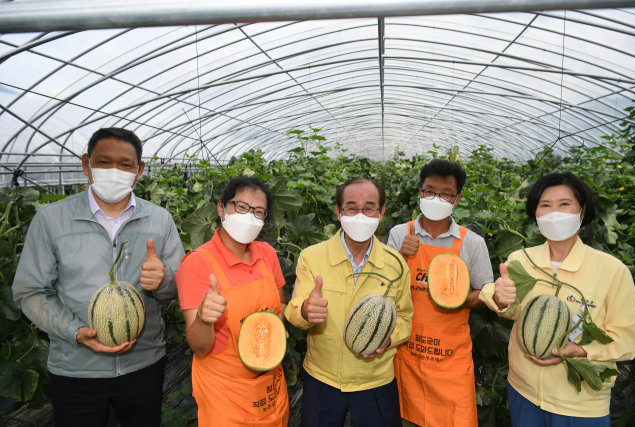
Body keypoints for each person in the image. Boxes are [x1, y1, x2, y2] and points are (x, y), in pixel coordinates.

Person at [13, 127, 185, 426]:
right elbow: (30, 291)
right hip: (75, 369)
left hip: (143, 365)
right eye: (104, 162)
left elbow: (178, 288)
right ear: (86, 165)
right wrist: (75, 332)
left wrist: (165, 280)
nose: (114, 171)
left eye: (126, 164)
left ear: (139, 170)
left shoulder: (161, 219)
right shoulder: (50, 220)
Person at [479, 171, 635, 426]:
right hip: (524, 391)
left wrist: (583, 350)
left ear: (582, 211)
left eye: (564, 204)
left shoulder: (612, 270)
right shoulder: (522, 260)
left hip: (582, 404)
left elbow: (629, 339)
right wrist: (500, 297)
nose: (555, 213)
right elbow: (507, 307)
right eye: (545, 205)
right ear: (536, 214)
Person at [286, 178, 413, 427]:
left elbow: (405, 317)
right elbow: (293, 310)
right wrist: (304, 310)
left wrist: (388, 338)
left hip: (375, 380)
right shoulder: (312, 257)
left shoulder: (396, 264)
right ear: (338, 211)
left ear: (382, 212)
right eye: (352, 208)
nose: (360, 215)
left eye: (369, 208)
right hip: (323, 378)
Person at [387, 158, 494, 427]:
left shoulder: (473, 243)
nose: (437, 198)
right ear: (420, 193)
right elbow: (384, 288)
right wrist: (401, 256)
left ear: (456, 199)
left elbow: (484, 293)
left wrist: (458, 301)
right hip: (406, 354)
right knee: (403, 416)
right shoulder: (401, 234)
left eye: (445, 193)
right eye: (430, 191)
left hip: (451, 359)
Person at [176, 176, 289, 427]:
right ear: (221, 208)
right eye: (241, 207)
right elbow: (200, 347)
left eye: (258, 212)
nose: (249, 217)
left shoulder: (267, 254)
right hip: (225, 394)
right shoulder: (197, 263)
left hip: (270, 386)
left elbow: (279, 308)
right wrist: (205, 320)